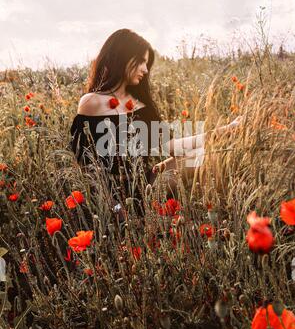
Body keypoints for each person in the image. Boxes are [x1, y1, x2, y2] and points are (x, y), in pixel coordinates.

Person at [69, 28, 242, 221]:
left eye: (147, 63)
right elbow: (86, 167)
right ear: (122, 57)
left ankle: (224, 209)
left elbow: (170, 146)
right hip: (110, 195)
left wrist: (224, 131)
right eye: (141, 61)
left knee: (202, 155)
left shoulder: (140, 104)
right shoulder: (92, 102)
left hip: (147, 186)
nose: (145, 69)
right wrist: (114, 206)